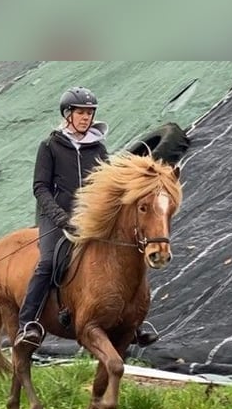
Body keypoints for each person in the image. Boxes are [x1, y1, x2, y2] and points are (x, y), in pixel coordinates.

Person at [14, 86, 160, 349]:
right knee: (48, 263)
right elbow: (40, 188)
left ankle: (134, 322)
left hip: (92, 218)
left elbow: (112, 187)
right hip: (55, 217)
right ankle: (29, 323)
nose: (86, 118)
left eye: (90, 113)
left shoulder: (98, 148)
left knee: (125, 256)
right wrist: (60, 217)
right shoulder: (49, 146)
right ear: (68, 114)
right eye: (81, 113)